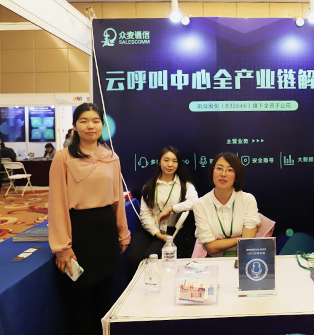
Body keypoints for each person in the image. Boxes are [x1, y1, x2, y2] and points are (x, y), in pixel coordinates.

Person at [48, 103, 130, 335]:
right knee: (81, 298)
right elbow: (57, 204)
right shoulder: (63, 157)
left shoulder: (111, 157)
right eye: (84, 121)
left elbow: (117, 199)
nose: (90, 126)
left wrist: (123, 233)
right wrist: (62, 247)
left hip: (105, 229)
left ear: (102, 125)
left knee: (104, 295)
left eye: (95, 121)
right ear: (74, 126)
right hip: (79, 230)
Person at [127, 146, 198, 274]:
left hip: (171, 232)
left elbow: (194, 202)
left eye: (174, 161)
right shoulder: (149, 186)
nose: (170, 164)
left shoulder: (185, 185)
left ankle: (153, 283)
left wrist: (171, 209)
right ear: (159, 162)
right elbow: (145, 214)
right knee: (134, 259)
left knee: (150, 258)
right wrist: (158, 234)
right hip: (149, 229)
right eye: (166, 160)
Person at [192, 152, 260, 257]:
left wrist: (219, 242)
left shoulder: (247, 200)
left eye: (230, 170)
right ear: (212, 172)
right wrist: (241, 238)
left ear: (236, 176)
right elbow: (211, 248)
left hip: (244, 258)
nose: (223, 174)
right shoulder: (200, 204)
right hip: (215, 261)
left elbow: (247, 243)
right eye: (219, 168)